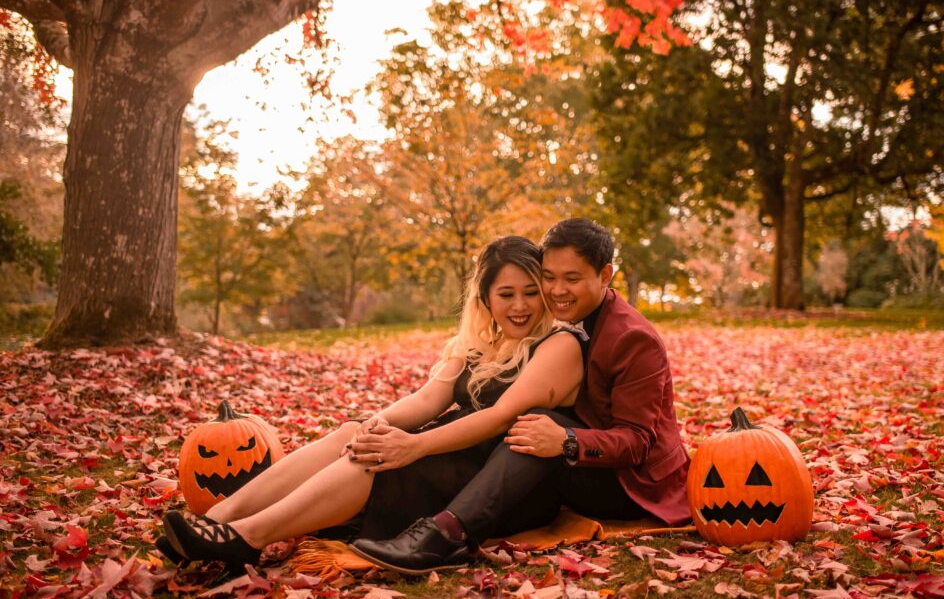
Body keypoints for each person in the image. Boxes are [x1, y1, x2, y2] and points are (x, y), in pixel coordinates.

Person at [160, 236, 584, 571]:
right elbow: (428, 399)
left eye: (531, 292)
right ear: (486, 299)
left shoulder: (559, 344)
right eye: (506, 294)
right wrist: (374, 423)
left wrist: (412, 445)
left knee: (373, 459)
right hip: (453, 454)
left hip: (499, 479)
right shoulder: (480, 343)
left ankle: (248, 537)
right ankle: (218, 518)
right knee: (355, 434)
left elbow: (498, 417)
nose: (520, 305)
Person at [349, 218, 692, 574]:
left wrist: (568, 440)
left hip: (628, 485)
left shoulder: (632, 338)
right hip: (573, 468)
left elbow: (637, 442)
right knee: (511, 425)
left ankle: (448, 535)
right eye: (549, 277)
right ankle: (379, 518)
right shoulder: (566, 323)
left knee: (539, 423)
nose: (557, 290)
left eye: (572, 279)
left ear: (605, 276)